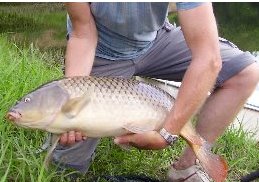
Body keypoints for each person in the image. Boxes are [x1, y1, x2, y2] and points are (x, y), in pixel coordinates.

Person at [51, 2, 259, 181]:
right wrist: (73, 100)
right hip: (102, 51)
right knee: (65, 166)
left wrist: (168, 132)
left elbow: (208, 58)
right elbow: (83, 35)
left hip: (155, 42)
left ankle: (186, 167)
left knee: (245, 73)